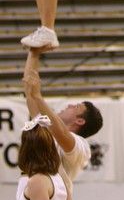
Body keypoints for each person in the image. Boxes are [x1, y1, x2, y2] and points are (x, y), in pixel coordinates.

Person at [22, 49, 103, 187]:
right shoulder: (46, 127)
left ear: (80, 121)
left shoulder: (82, 146)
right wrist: (34, 52)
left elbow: (62, 133)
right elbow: (29, 91)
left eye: (76, 106)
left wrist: (38, 96)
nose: (70, 105)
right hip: (30, 198)